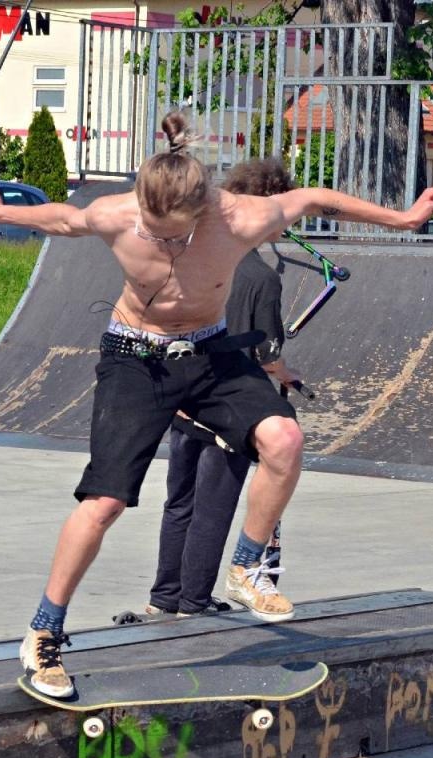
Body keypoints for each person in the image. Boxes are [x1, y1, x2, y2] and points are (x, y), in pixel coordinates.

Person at [0, 112, 433, 698]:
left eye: (176, 234)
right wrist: (0, 210)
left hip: (209, 351)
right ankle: (44, 632)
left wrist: (404, 217)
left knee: (285, 439)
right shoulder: (117, 214)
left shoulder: (238, 216)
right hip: (135, 359)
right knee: (104, 504)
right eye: (155, 232)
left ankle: (247, 566)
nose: (165, 244)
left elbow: (312, 199)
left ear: (203, 211)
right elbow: (62, 218)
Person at [147, 158, 301, 618]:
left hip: (183, 395)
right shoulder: (262, 277)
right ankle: (194, 600)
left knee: (180, 501)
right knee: (214, 506)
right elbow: (269, 352)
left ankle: (164, 596)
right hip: (230, 405)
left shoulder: (197, 256)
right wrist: (285, 374)